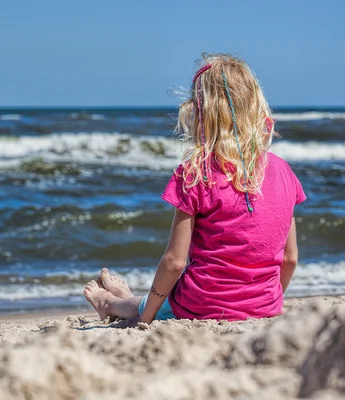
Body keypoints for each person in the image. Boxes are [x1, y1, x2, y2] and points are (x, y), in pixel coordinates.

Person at [84, 53, 306, 325]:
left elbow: (174, 262)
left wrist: (146, 318)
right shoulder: (284, 171)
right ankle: (127, 296)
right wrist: (267, 301)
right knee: (161, 298)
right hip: (264, 304)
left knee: (149, 305)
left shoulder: (195, 172)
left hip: (203, 303)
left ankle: (111, 302)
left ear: (200, 111)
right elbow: (290, 259)